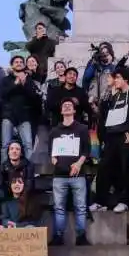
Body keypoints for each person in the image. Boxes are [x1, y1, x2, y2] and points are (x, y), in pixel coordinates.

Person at [94, 67, 129, 213]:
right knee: (104, 167)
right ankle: (101, 201)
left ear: (125, 79)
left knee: (125, 169)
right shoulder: (114, 96)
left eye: (117, 78)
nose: (114, 81)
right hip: (111, 137)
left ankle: (125, 200)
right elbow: (105, 116)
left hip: (125, 137)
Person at [49, 99, 91, 246]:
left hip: (78, 175)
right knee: (59, 207)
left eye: (70, 105)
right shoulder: (54, 130)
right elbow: (51, 150)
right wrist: (53, 158)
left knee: (80, 207)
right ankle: (58, 236)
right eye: (64, 106)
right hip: (59, 175)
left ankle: (81, 236)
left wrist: (79, 164)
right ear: (61, 111)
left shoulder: (82, 129)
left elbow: (87, 150)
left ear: (74, 110)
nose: (67, 107)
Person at [0, 55, 38, 164]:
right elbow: (3, 94)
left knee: (28, 145)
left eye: (21, 62)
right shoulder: (6, 80)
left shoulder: (29, 80)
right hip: (8, 115)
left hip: (24, 116)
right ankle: (5, 171)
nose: (19, 63)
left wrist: (24, 83)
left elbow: (33, 96)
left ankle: (29, 170)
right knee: (5, 145)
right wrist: (15, 84)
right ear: (12, 65)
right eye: (16, 62)